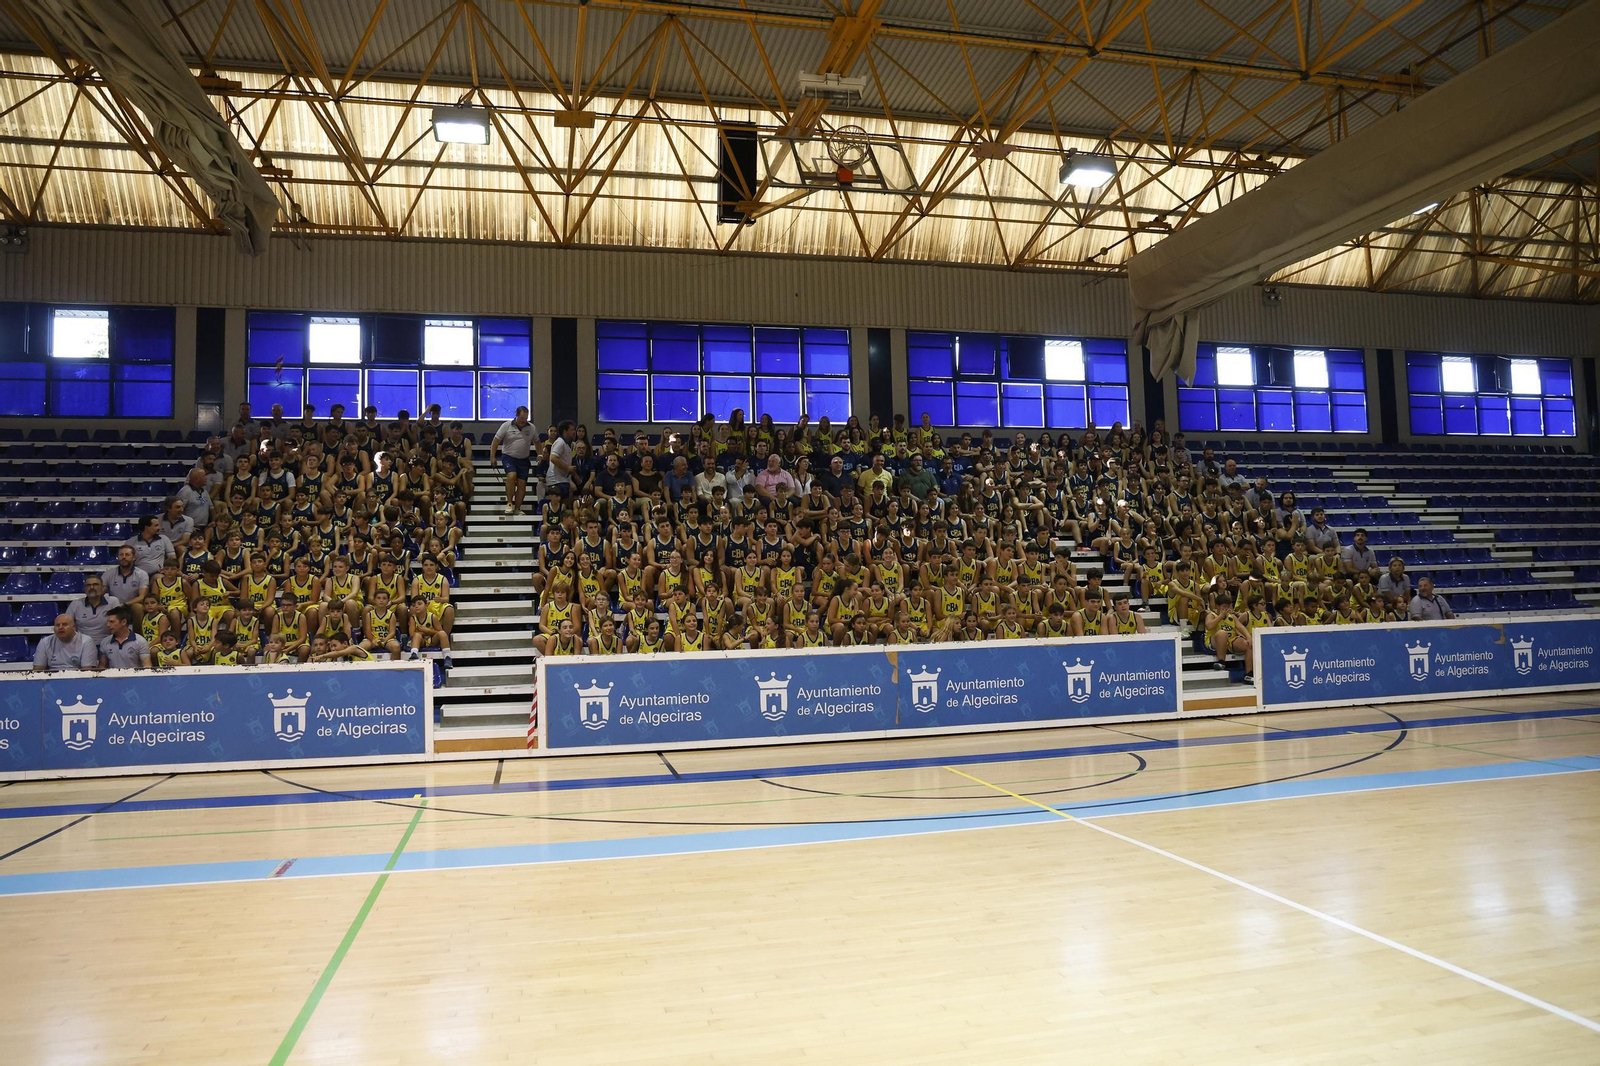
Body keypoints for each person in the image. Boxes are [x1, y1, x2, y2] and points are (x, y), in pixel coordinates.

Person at [489, 406, 537, 515]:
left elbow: (537, 442)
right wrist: (492, 457)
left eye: (525, 418)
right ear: (516, 416)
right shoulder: (506, 426)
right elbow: (495, 441)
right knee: (511, 476)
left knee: (522, 484)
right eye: (521, 418)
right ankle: (509, 503)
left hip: (524, 459)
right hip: (508, 456)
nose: (523, 421)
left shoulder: (532, 428)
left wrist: (539, 455)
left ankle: (518, 508)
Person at [33, 614, 99, 672]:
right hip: (51, 681)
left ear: (74, 627)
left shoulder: (86, 641)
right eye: (57, 625)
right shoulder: (45, 642)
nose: (60, 627)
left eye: (65, 624)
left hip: (77, 680)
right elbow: (37, 671)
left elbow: (87, 671)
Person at [67, 575, 120, 643]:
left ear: (102, 588)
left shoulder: (113, 602)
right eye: (88, 585)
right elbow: (67, 625)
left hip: (107, 643)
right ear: (84, 589)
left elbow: (119, 625)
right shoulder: (75, 604)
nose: (92, 587)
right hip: (82, 644)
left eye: (95, 585)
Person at [545, 419, 576, 500]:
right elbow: (553, 458)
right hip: (556, 480)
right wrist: (567, 468)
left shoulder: (566, 444)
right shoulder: (560, 443)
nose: (574, 432)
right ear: (565, 431)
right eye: (572, 429)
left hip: (561, 479)